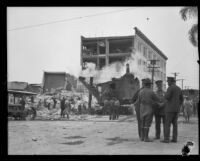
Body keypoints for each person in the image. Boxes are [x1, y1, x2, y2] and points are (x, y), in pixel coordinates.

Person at [161, 77, 183, 143]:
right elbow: (182, 99)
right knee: (175, 125)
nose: (167, 83)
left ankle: (166, 139)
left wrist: (164, 95)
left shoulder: (170, 88)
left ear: (171, 81)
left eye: (168, 81)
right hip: (176, 110)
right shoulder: (179, 88)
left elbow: (167, 97)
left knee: (167, 124)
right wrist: (178, 106)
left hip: (169, 109)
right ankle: (174, 139)